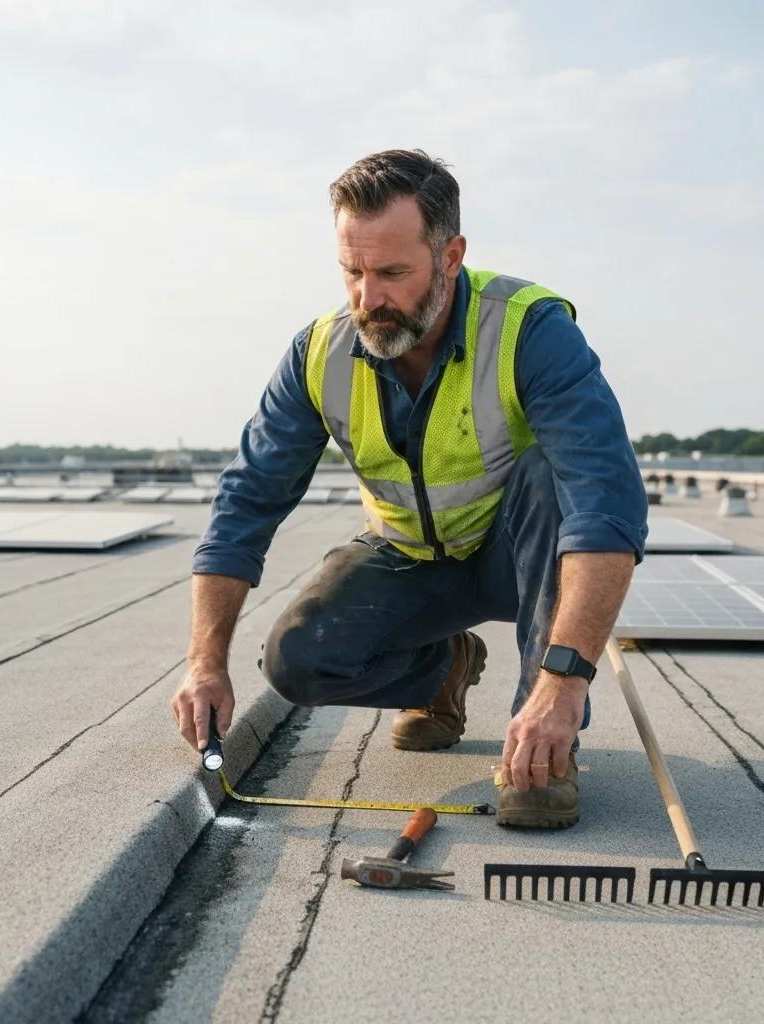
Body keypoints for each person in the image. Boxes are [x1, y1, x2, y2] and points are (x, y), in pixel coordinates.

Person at [170, 149, 647, 828]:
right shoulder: (319, 353)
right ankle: (445, 667)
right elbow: (247, 501)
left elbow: (607, 505)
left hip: (519, 562)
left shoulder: (528, 330)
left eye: (393, 273)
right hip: (411, 562)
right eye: (352, 272)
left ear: (450, 256)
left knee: (553, 477)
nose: (369, 299)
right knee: (299, 661)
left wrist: (563, 687)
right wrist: (204, 662)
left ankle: (541, 748)